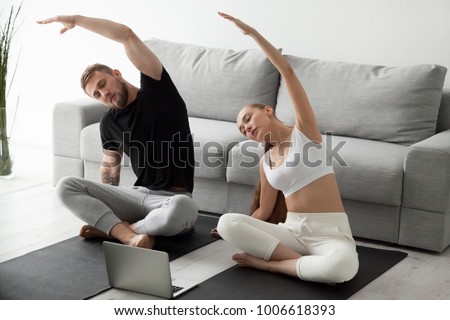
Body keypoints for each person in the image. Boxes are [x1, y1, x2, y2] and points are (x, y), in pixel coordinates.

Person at [215, 12, 359, 284]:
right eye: (243, 130)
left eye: (248, 119)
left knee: (342, 269)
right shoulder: (266, 161)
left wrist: (252, 33)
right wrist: (240, 228)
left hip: (330, 234)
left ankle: (272, 265)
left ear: (268, 111)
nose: (247, 128)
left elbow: (288, 72)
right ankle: (300, 263)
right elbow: (264, 212)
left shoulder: (305, 133)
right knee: (226, 222)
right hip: (291, 233)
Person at [37, 15, 198, 249]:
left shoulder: (158, 90)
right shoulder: (108, 123)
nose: (104, 95)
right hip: (134, 196)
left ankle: (119, 230)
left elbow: (126, 34)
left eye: (103, 85)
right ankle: (131, 235)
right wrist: (105, 198)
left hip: (171, 200)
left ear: (117, 73)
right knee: (65, 186)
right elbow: (110, 169)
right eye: (97, 95)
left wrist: (76, 20)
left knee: (183, 209)